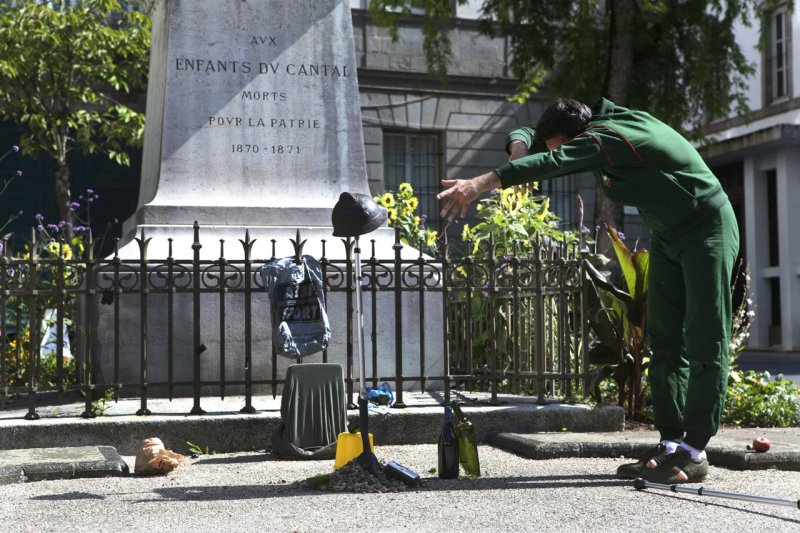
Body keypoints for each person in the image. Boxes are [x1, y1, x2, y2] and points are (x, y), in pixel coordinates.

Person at [437, 98, 739, 484]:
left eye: (563, 147)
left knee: (705, 338)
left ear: (578, 137)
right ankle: (670, 447)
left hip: (707, 226)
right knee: (664, 342)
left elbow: (555, 160)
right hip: (668, 236)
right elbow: (528, 134)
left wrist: (482, 182)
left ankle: (695, 452)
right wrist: (519, 150)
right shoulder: (583, 125)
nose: (560, 154)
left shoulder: (613, 135)